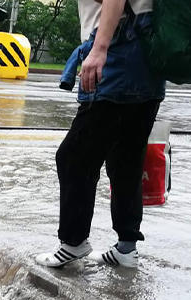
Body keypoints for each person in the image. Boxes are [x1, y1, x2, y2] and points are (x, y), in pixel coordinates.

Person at [35, 0, 165, 269]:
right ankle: (126, 248)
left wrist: (99, 48)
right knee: (126, 159)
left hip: (117, 54)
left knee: (73, 157)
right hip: (151, 60)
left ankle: (74, 242)